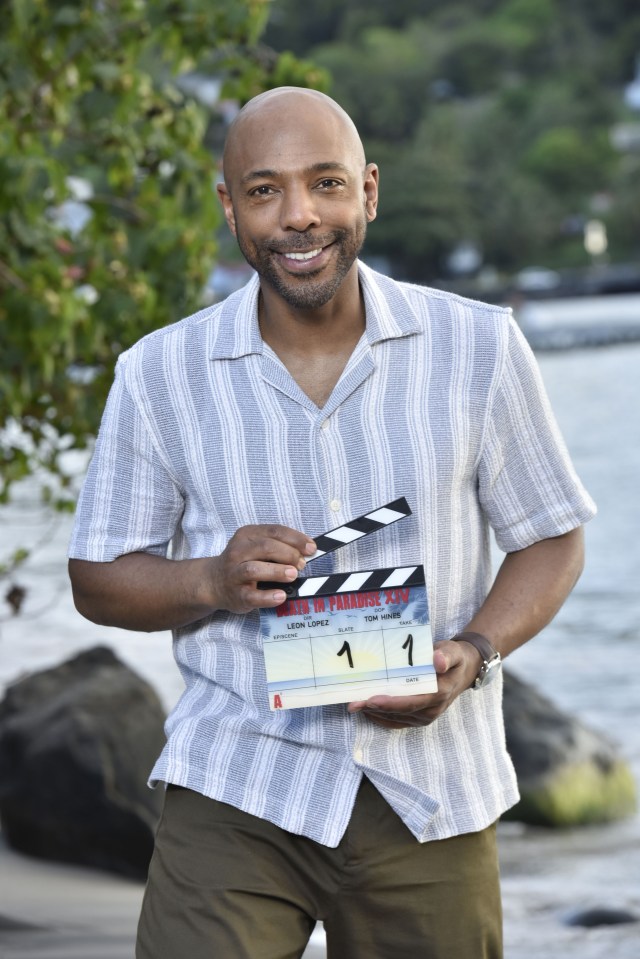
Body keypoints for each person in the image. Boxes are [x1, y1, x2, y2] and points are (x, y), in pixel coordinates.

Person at [68, 87, 596, 959]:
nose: (300, 217)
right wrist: (208, 578)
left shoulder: (479, 347)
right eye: (267, 190)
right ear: (229, 206)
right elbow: (96, 577)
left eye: (326, 184)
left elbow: (552, 536)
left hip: (432, 792)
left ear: (370, 191)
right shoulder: (159, 372)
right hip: (238, 776)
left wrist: (472, 653)